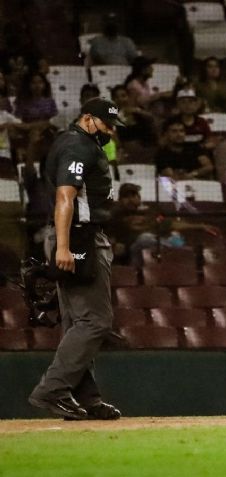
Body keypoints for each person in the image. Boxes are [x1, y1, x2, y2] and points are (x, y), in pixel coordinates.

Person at [28, 98, 126, 420]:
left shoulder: (76, 143)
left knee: (77, 322)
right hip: (78, 235)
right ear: (88, 119)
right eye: (106, 124)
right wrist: (64, 247)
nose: (111, 131)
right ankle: (53, 389)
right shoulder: (77, 146)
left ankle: (87, 398)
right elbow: (65, 196)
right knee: (95, 321)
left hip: (73, 235)